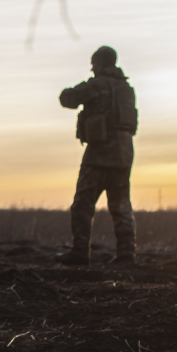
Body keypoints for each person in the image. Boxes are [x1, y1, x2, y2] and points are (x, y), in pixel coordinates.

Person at [55, 46, 138, 266]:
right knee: (121, 205)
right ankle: (127, 254)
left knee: (83, 204)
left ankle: (80, 252)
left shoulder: (98, 85)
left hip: (100, 154)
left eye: (93, 64)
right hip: (124, 154)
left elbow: (67, 99)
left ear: (100, 64)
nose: (92, 68)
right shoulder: (127, 89)